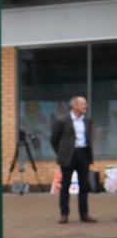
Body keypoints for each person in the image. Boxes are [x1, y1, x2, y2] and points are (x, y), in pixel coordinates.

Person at [50, 95, 96, 223]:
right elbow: (54, 139)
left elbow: (89, 137)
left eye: (85, 103)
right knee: (65, 185)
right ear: (74, 106)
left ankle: (84, 213)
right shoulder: (62, 121)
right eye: (83, 104)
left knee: (84, 185)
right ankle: (64, 214)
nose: (85, 106)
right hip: (68, 155)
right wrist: (61, 152)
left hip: (83, 154)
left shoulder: (87, 121)